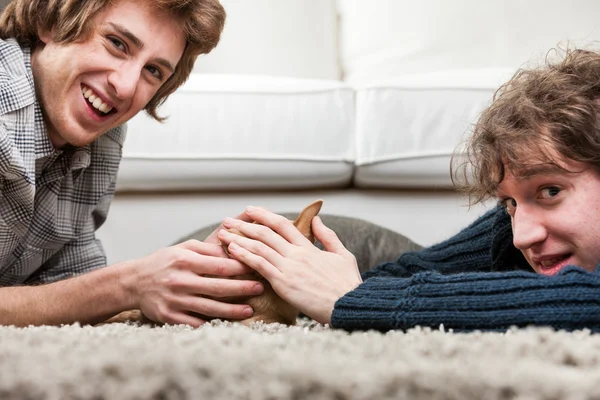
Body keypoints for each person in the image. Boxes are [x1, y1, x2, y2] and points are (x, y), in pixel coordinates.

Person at [218, 47, 600, 332]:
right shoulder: (509, 230)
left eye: (551, 191)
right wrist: (292, 281)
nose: (522, 236)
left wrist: (356, 301)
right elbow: (412, 271)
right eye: (510, 203)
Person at [0, 0, 266, 328]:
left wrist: (196, 279)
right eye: (117, 43)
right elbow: (102, 292)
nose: (125, 88)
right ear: (51, 23)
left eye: (153, 71)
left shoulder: (101, 140)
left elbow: (69, 288)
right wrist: (126, 285)